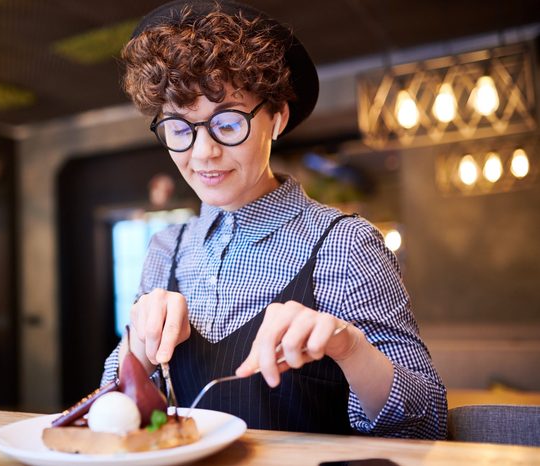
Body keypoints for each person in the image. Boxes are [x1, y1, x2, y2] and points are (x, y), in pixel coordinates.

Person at [101, 0, 447, 439]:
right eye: (180, 128)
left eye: (227, 124)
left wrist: (348, 345)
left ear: (277, 119)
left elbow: (429, 421)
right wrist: (138, 350)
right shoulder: (165, 248)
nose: (203, 153)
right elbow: (113, 411)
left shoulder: (346, 244)